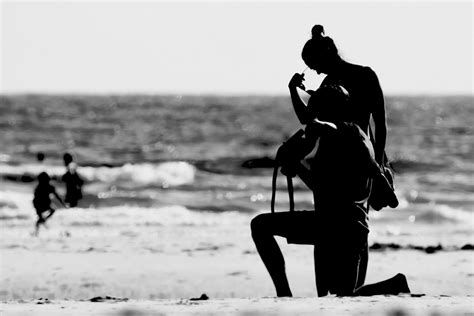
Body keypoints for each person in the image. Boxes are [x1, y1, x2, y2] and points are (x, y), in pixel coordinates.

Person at [251, 25, 409, 297]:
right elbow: (311, 120)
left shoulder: (364, 76)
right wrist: (294, 93)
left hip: (357, 159)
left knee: (351, 222)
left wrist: (378, 167)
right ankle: (330, 289)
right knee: (335, 217)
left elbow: (379, 124)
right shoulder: (328, 87)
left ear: (327, 54)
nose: (316, 71)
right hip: (338, 159)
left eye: (314, 65)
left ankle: (366, 285)